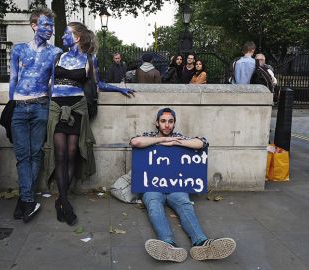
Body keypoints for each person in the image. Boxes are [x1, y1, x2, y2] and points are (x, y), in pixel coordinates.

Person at [46, 22, 135, 226]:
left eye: (66, 33)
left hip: (77, 107)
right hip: (57, 108)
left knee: (71, 154)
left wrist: (119, 89)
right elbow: (50, 83)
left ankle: (61, 200)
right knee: (60, 155)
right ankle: (66, 203)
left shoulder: (89, 59)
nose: (62, 37)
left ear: (76, 38)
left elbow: (98, 84)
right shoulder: (58, 57)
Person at [130, 108, 236, 262]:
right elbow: (135, 142)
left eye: (170, 122)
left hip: (176, 186)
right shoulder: (149, 136)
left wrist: (177, 142)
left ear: (174, 124)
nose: (167, 125)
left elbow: (202, 142)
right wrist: (163, 140)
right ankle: (167, 244)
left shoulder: (179, 137)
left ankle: (201, 242)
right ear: (157, 123)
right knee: (154, 205)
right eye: (163, 121)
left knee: (185, 205)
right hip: (152, 186)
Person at [9, 8, 62, 223]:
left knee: (36, 153)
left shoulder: (55, 52)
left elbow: (53, 85)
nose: (49, 29)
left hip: (41, 105)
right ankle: (27, 198)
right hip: (19, 107)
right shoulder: (19, 49)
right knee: (23, 155)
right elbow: (12, 79)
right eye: (45, 25)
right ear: (34, 25)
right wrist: (10, 105)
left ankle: (25, 200)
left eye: (51, 26)